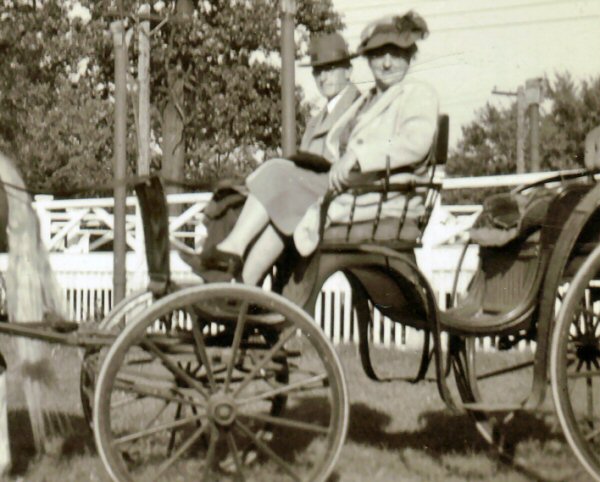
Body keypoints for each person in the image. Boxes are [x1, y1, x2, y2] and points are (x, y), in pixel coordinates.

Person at [205, 11, 438, 285]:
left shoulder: (416, 93)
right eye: (377, 55)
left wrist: (357, 156)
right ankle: (244, 283)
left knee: (281, 177)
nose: (386, 63)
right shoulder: (372, 100)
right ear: (369, 59)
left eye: (396, 54)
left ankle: (235, 253)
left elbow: (414, 143)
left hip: (377, 196)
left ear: (410, 56)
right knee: (281, 195)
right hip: (353, 189)